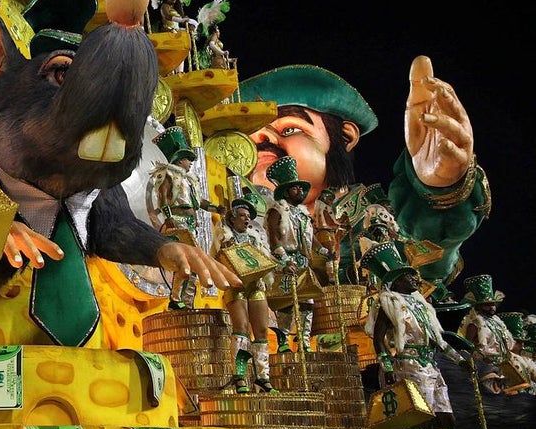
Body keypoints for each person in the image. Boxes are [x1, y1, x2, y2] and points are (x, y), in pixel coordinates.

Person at [239, 59, 489, 309]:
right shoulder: (240, 223)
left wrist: (441, 187)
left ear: (345, 136)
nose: (263, 138)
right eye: (250, 137)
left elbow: (424, 242)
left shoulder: (370, 217)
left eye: (289, 129)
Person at [364, 239, 475, 429]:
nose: (415, 279)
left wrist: (460, 361)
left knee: (447, 419)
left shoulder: (423, 307)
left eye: (413, 275)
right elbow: (378, 337)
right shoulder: (388, 302)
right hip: (409, 364)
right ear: (396, 281)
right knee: (420, 417)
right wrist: (387, 366)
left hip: (431, 365)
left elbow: (438, 340)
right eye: (408, 276)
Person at [146, 125, 222, 307]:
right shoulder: (167, 175)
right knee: (187, 263)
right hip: (178, 223)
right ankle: (176, 299)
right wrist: (169, 217)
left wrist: (216, 208)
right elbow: (163, 198)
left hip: (191, 224)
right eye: (188, 159)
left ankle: (186, 303)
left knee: (193, 264)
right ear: (180, 160)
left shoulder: (189, 181)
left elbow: (199, 202)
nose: (191, 163)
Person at [264, 156, 334, 353]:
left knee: (307, 302)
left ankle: (304, 341)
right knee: (286, 302)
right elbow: (274, 237)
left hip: (303, 263)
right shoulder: (277, 210)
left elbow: (310, 238)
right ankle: (283, 341)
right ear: (286, 191)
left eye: (301, 189)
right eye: (295, 188)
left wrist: (324, 251)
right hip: (284, 262)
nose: (300, 192)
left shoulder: (303, 213)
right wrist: (284, 260)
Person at [218, 196, 279, 393]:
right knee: (241, 328)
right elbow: (217, 260)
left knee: (261, 330)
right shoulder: (224, 236)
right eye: (243, 216)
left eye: (248, 217)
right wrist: (223, 249)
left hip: (256, 285)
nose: (246, 219)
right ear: (233, 218)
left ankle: (263, 377)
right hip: (236, 286)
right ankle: (240, 376)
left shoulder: (255, 239)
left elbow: (264, 260)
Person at [458, 275, 527, 395]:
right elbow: (467, 346)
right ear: (478, 305)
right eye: (488, 305)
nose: (492, 308)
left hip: (505, 366)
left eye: (493, 304)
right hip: (486, 368)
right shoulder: (474, 323)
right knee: (492, 397)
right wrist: (481, 358)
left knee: (516, 395)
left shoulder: (497, 322)